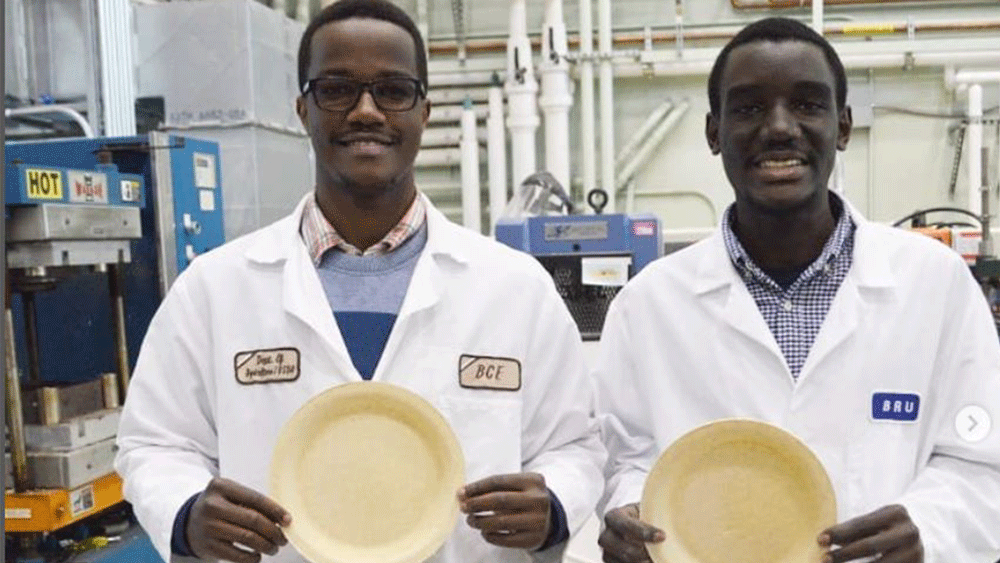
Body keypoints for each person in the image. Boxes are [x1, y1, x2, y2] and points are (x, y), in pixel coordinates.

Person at [114, 1, 604, 562]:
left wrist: (555, 506)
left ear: (424, 111)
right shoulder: (215, 289)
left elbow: (575, 445)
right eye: (337, 89)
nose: (366, 111)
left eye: (393, 90)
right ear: (303, 109)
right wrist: (185, 513)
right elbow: (155, 442)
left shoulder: (515, 289)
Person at [594, 16, 1000, 563]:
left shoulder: (936, 283)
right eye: (749, 108)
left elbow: (981, 461)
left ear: (844, 126)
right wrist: (632, 514)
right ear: (714, 133)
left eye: (807, 104)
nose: (780, 128)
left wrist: (928, 529)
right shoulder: (648, 306)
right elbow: (625, 459)